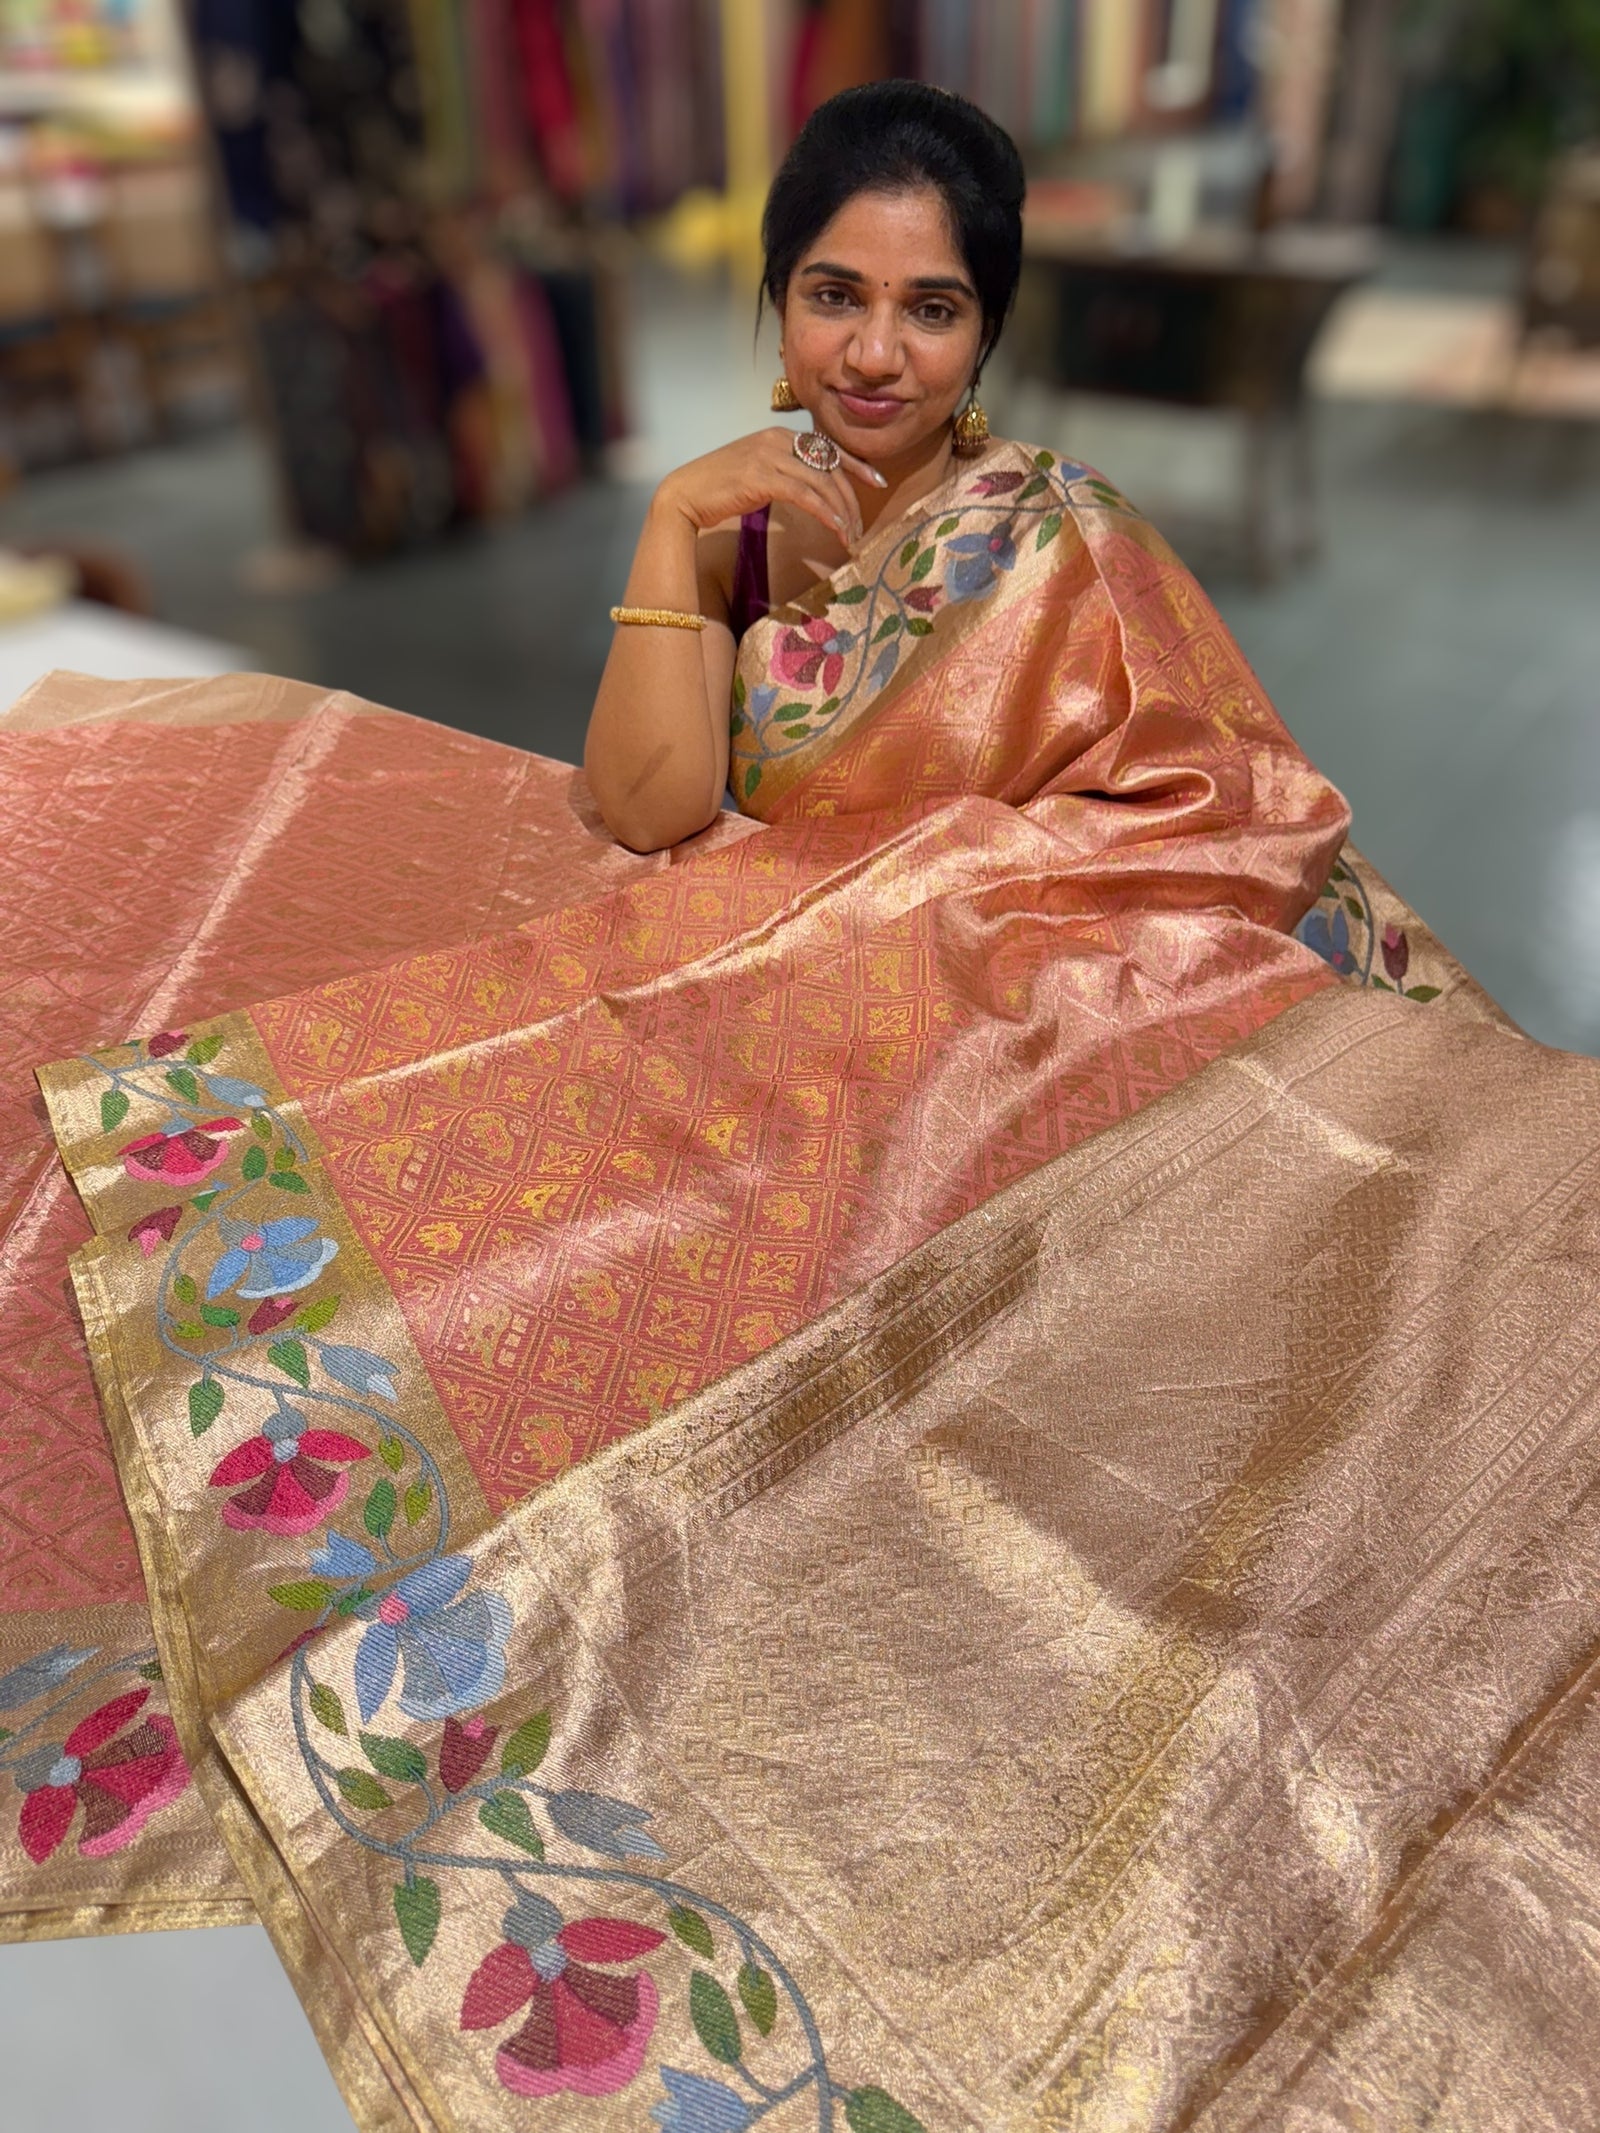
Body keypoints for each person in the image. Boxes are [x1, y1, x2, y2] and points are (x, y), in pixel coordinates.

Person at [585, 81, 1023, 852]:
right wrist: (672, 513)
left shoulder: (1050, 538)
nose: (875, 356)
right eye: (834, 297)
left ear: (985, 337)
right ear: (780, 306)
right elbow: (649, 813)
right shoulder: (736, 541)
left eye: (932, 311)